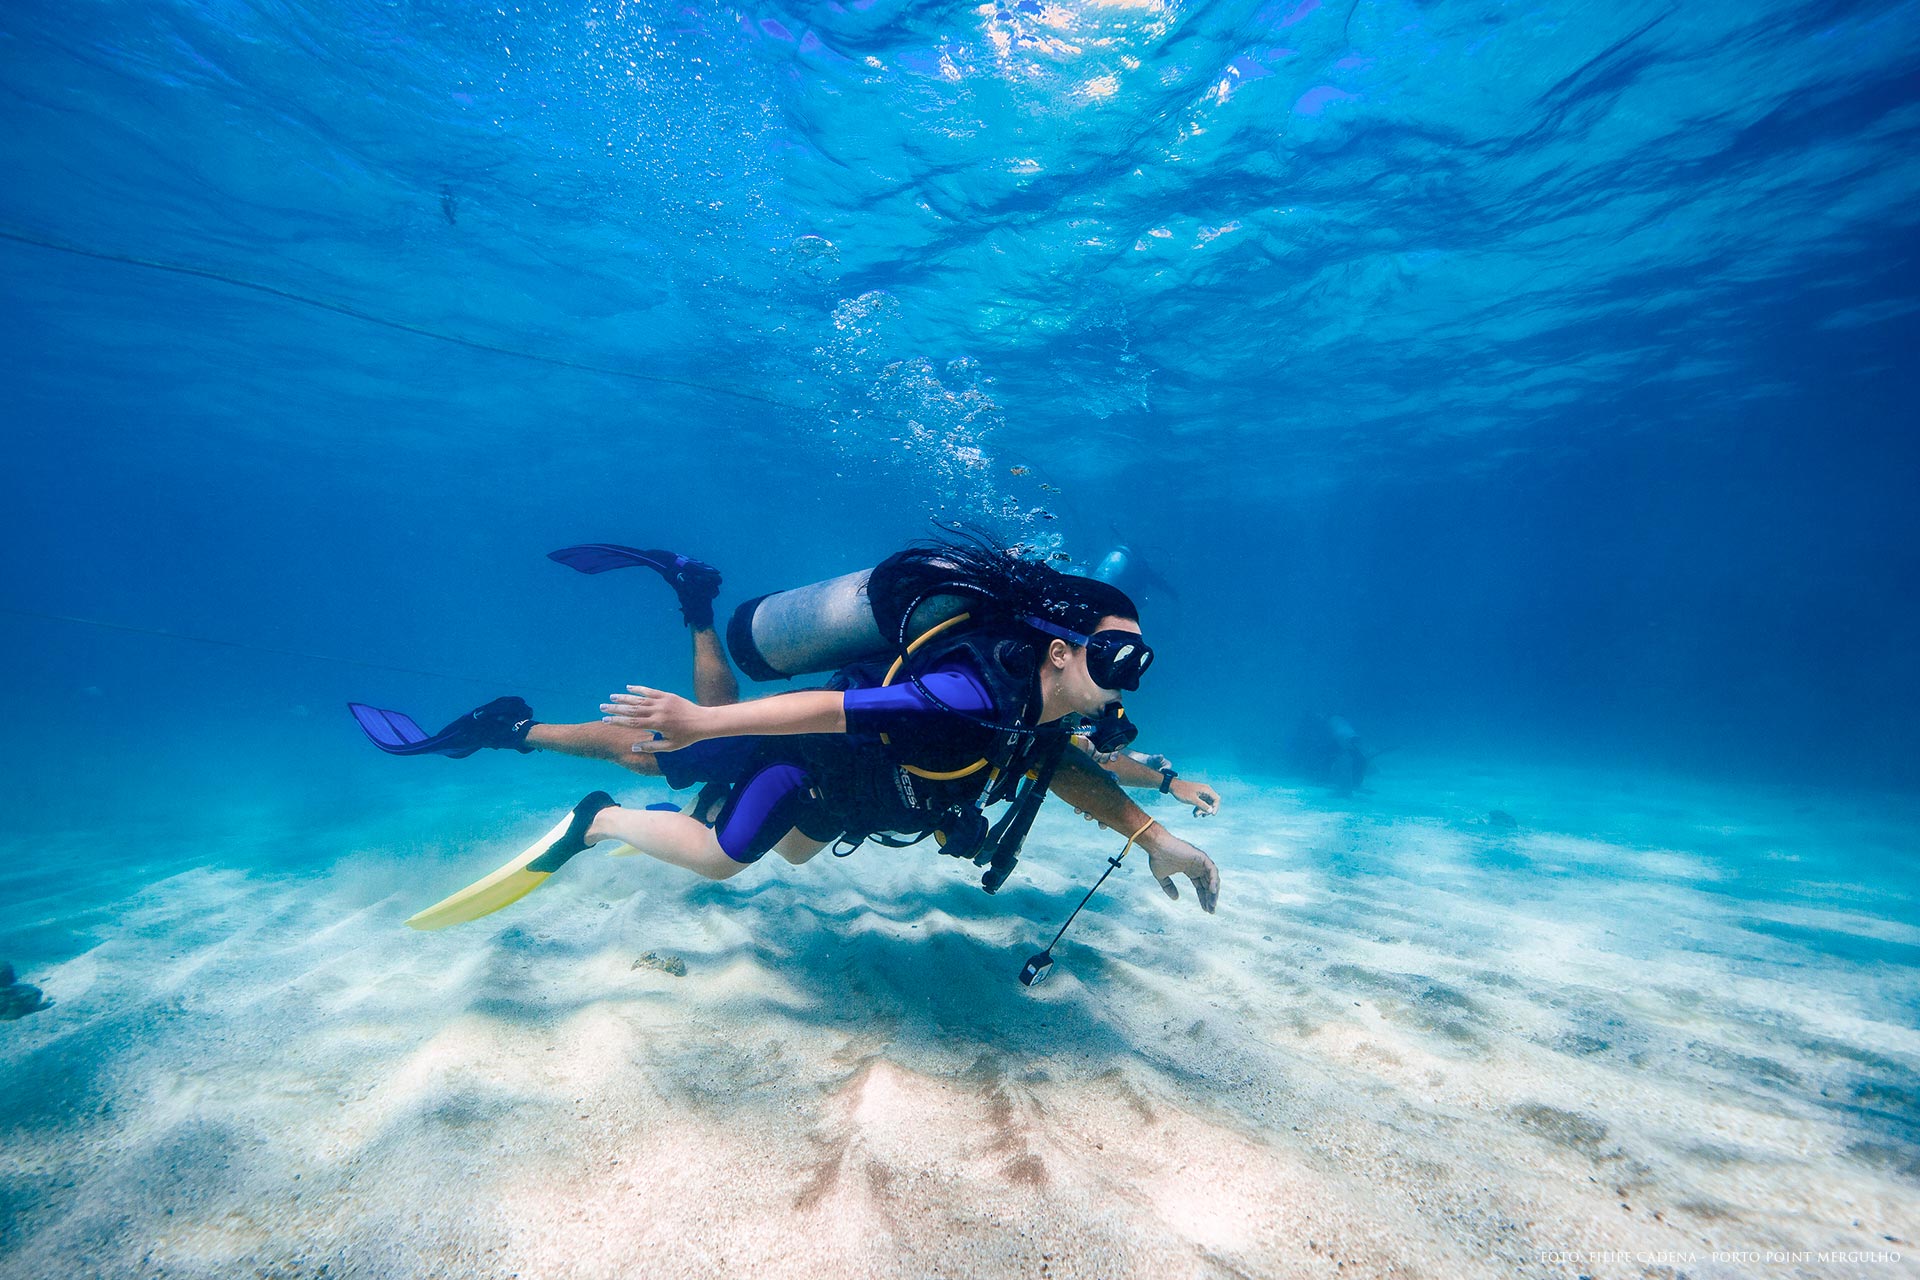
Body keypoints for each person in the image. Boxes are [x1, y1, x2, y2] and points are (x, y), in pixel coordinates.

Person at [352, 536, 1220, 927]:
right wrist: (707, 717)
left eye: (1139, 666)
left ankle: (686, 618)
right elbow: (830, 710)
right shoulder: (969, 691)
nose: (1125, 685)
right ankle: (575, 797)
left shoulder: (1041, 709)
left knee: (779, 835)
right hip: (809, 756)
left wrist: (1161, 813)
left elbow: (1070, 765)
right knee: (694, 803)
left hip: (854, 788)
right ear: (1061, 653)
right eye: (1115, 662)